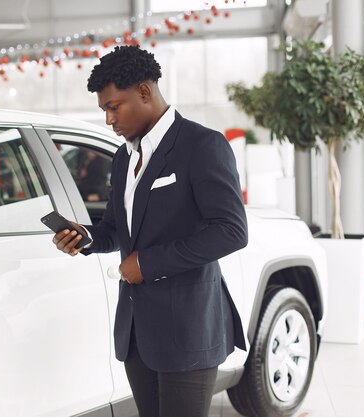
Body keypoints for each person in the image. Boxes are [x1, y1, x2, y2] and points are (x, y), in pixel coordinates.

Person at [52, 45, 248, 417]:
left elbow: (232, 231)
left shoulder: (202, 145)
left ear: (144, 91)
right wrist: (87, 238)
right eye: (104, 110)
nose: (109, 119)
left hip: (188, 327)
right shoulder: (123, 157)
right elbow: (116, 228)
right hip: (137, 331)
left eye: (114, 106)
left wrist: (148, 262)